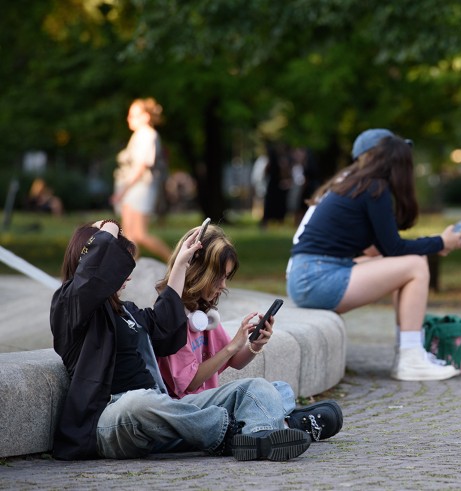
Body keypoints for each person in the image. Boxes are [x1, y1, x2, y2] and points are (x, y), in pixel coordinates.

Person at [50, 219, 312, 461]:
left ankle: (259, 436)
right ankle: (240, 428)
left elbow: (165, 324)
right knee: (139, 403)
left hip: (164, 411)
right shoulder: (70, 310)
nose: (127, 275)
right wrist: (108, 227)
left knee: (254, 388)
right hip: (111, 419)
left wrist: (181, 265)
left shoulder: (127, 311)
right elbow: (90, 276)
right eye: (118, 265)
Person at [286, 129, 461, 381]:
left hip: (308, 275)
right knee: (416, 265)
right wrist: (440, 241)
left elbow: (383, 252)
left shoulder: (355, 185)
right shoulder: (374, 187)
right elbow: (394, 249)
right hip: (316, 278)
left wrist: (439, 244)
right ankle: (410, 358)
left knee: (405, 266)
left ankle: (410, 351)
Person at [156, 224, 343, 442]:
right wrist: (231, 347)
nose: (223, 285)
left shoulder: (202, 314)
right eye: (219, 277)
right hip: (189, 410)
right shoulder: (171, 319)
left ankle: (276, 425)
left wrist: (254, 345)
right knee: (255, 390)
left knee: (280, 389)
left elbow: (235, 361)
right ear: (198, 272)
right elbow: (190, 383)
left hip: (211, 403)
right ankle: (279, 427)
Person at [111, 98, 172, 261]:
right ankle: (129, 272)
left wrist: (123, 190)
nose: (129, 119)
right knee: (128, 236)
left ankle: (178, 263)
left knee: (140, 234)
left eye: (134, 115)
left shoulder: (147, 135)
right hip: (133, 188)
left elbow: (141, 166)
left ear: (146, 116)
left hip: (141, 188)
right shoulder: (139, 135)